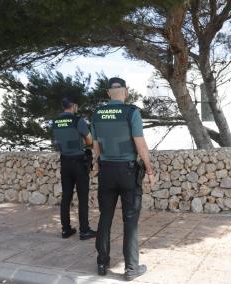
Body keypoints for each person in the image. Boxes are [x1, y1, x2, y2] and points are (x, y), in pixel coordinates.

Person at [91, 77, 155, 281]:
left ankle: (102, 262)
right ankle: (131, 269)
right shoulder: (131, 112)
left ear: (109, 93)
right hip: (127, 173)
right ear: (125, 92)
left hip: (106, 171)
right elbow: (141, 146)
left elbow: (96, 146)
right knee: (130, 221)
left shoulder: (97, 114)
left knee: (105, 217)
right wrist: (150, 172)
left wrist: (96, 165)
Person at [52, 97, 96, 240]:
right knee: (82, 197)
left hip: (65, 162)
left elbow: (56, 143)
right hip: (79, 162)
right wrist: (81, 142)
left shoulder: (56, 122)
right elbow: (89, 140)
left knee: (66, 196)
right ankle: (84, 231)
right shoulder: (77, 120)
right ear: (74, 106)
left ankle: (65, 229)